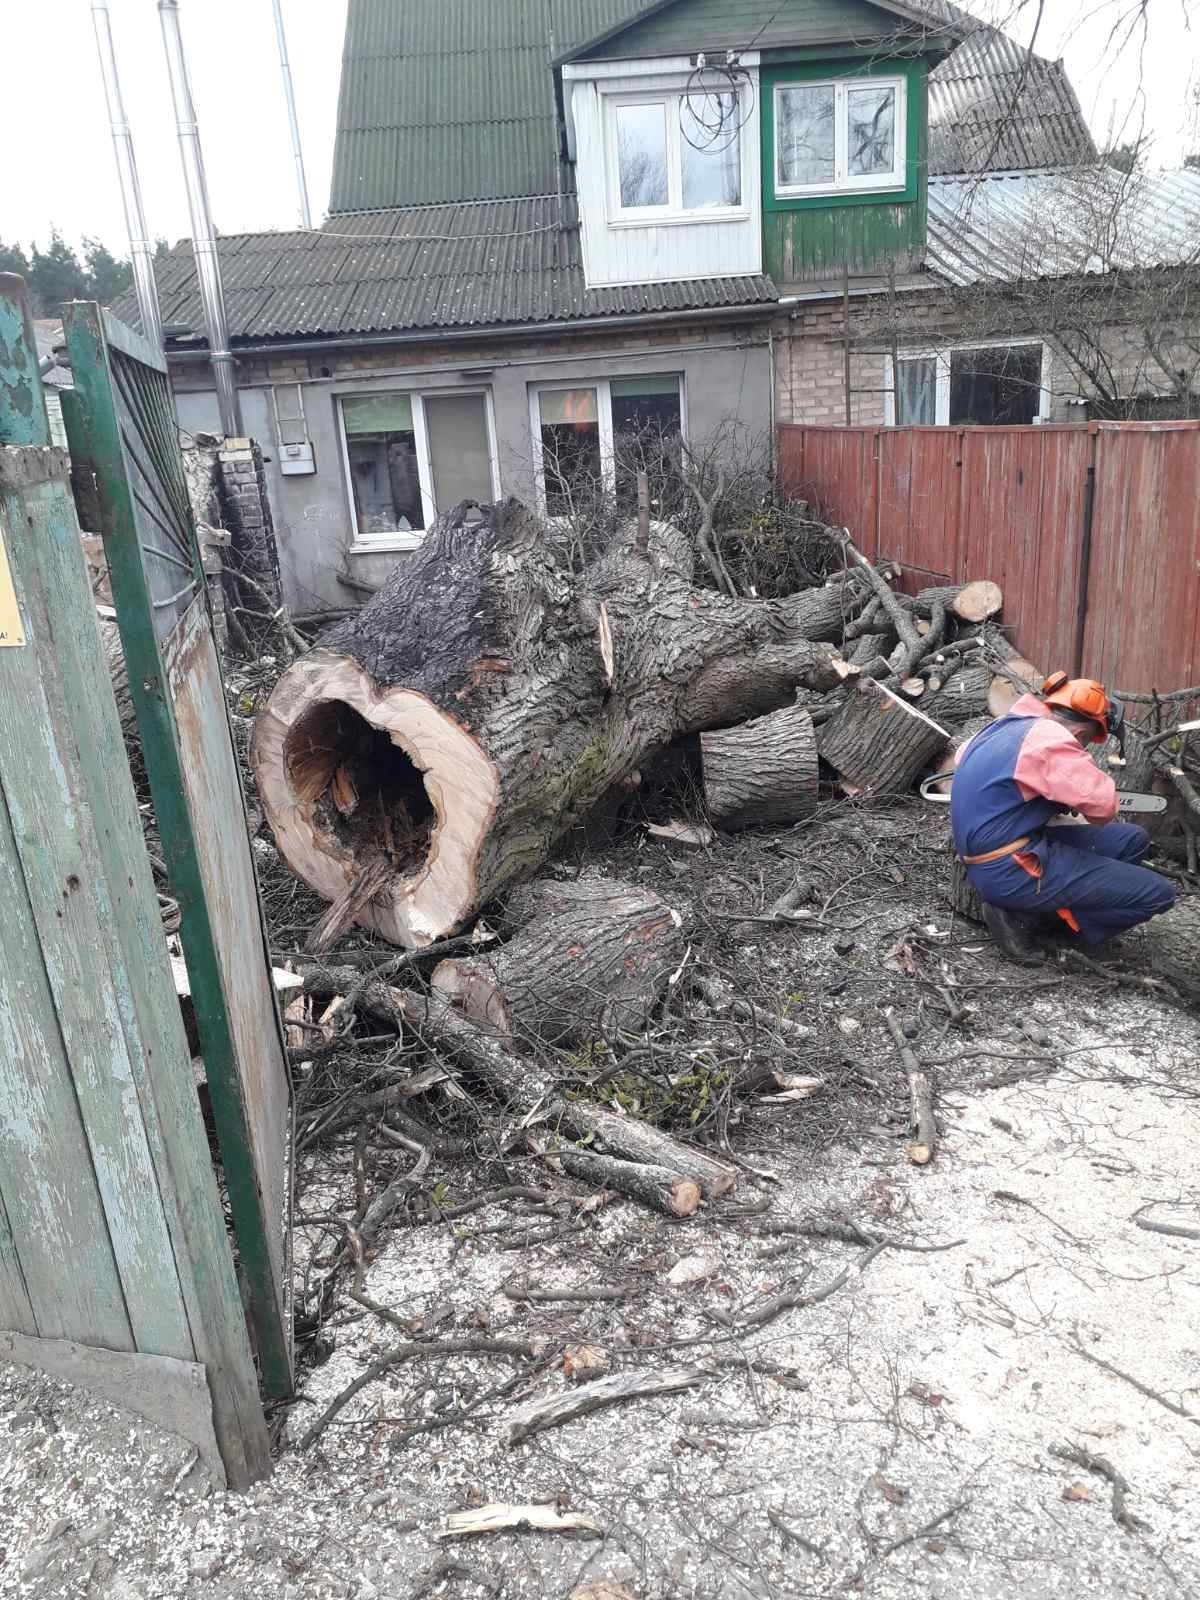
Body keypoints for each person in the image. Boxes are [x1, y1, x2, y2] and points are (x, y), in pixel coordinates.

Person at [950, 674, 1175, 960]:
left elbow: (962, 757)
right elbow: (1103, 808)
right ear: (1081, 734)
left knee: (1132, 839)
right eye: (1086, 742)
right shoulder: (1053, 740)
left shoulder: (1007, 724)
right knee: (1159, 894)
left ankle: (1055, 909)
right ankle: (1041, 926)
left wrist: (1045, 796)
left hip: (1002, 850)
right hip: (1010, 867)